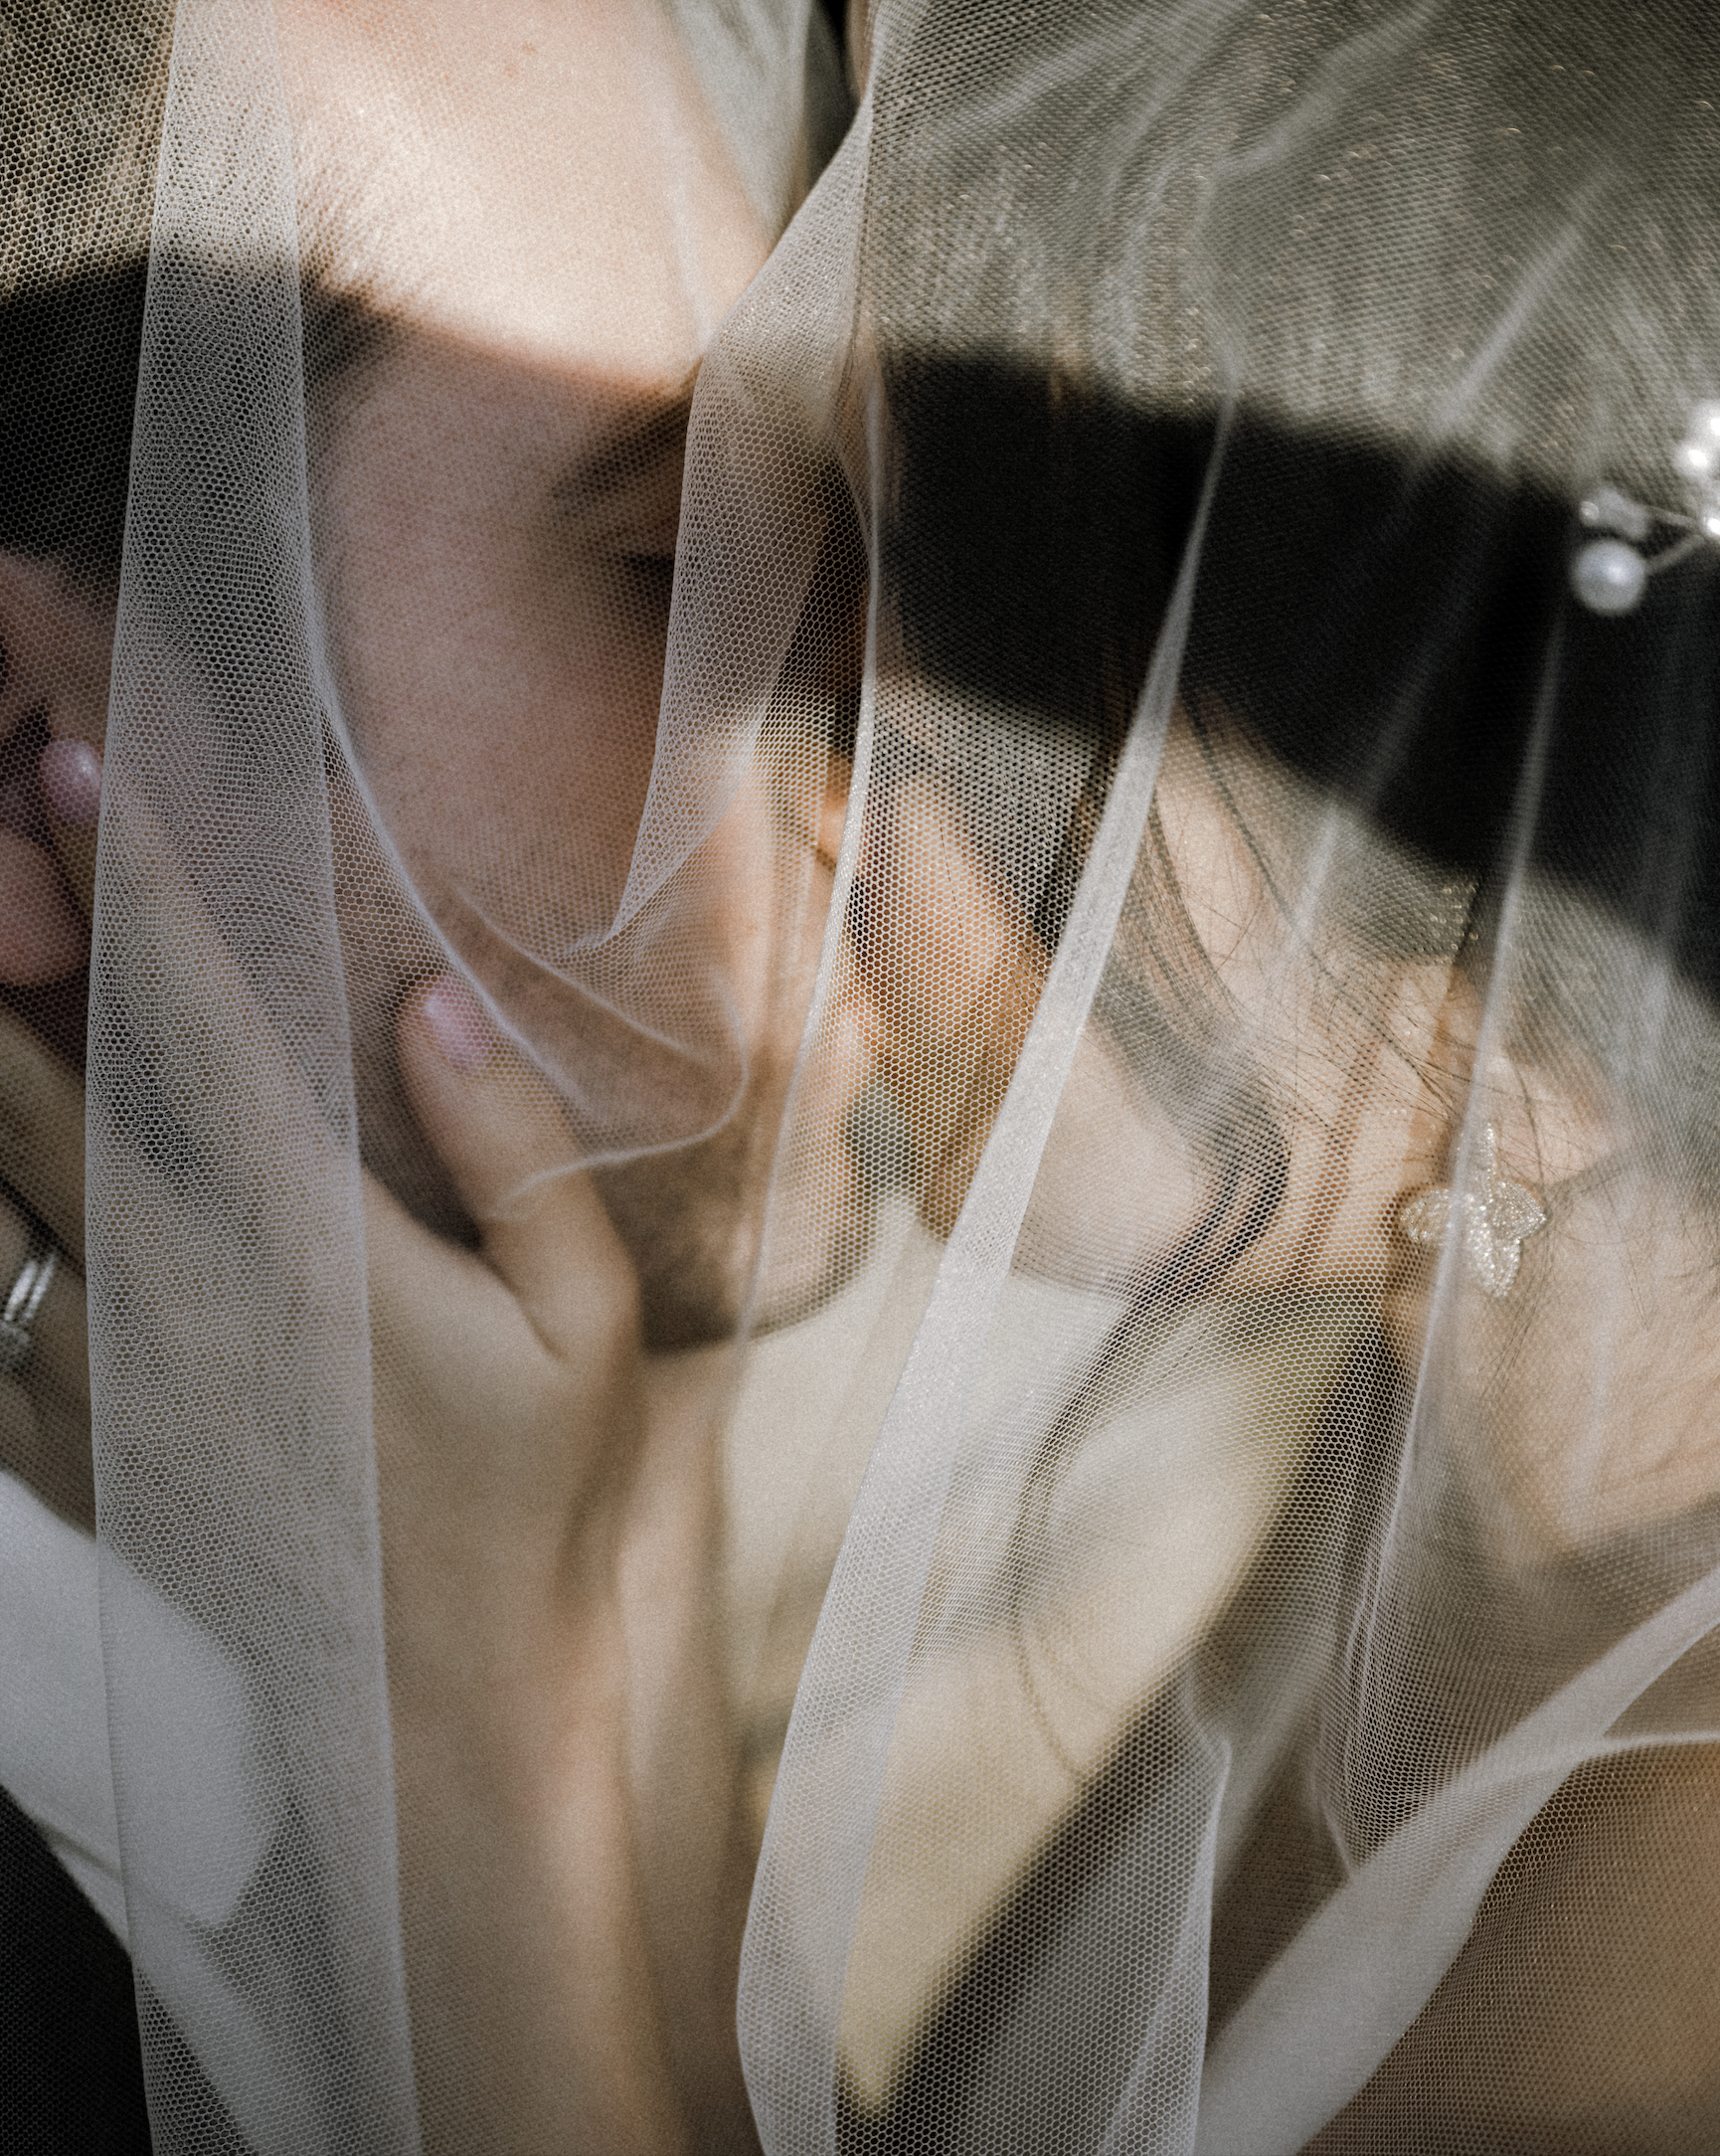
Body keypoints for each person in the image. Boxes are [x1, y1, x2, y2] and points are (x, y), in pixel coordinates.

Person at [9, 1, 1720, 2154]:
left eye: (961, 672)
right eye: (674, 574)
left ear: (1524, 1023)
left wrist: (483, 1779)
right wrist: (593, 1621)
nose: (815, 777)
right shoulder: (1450, 1503)